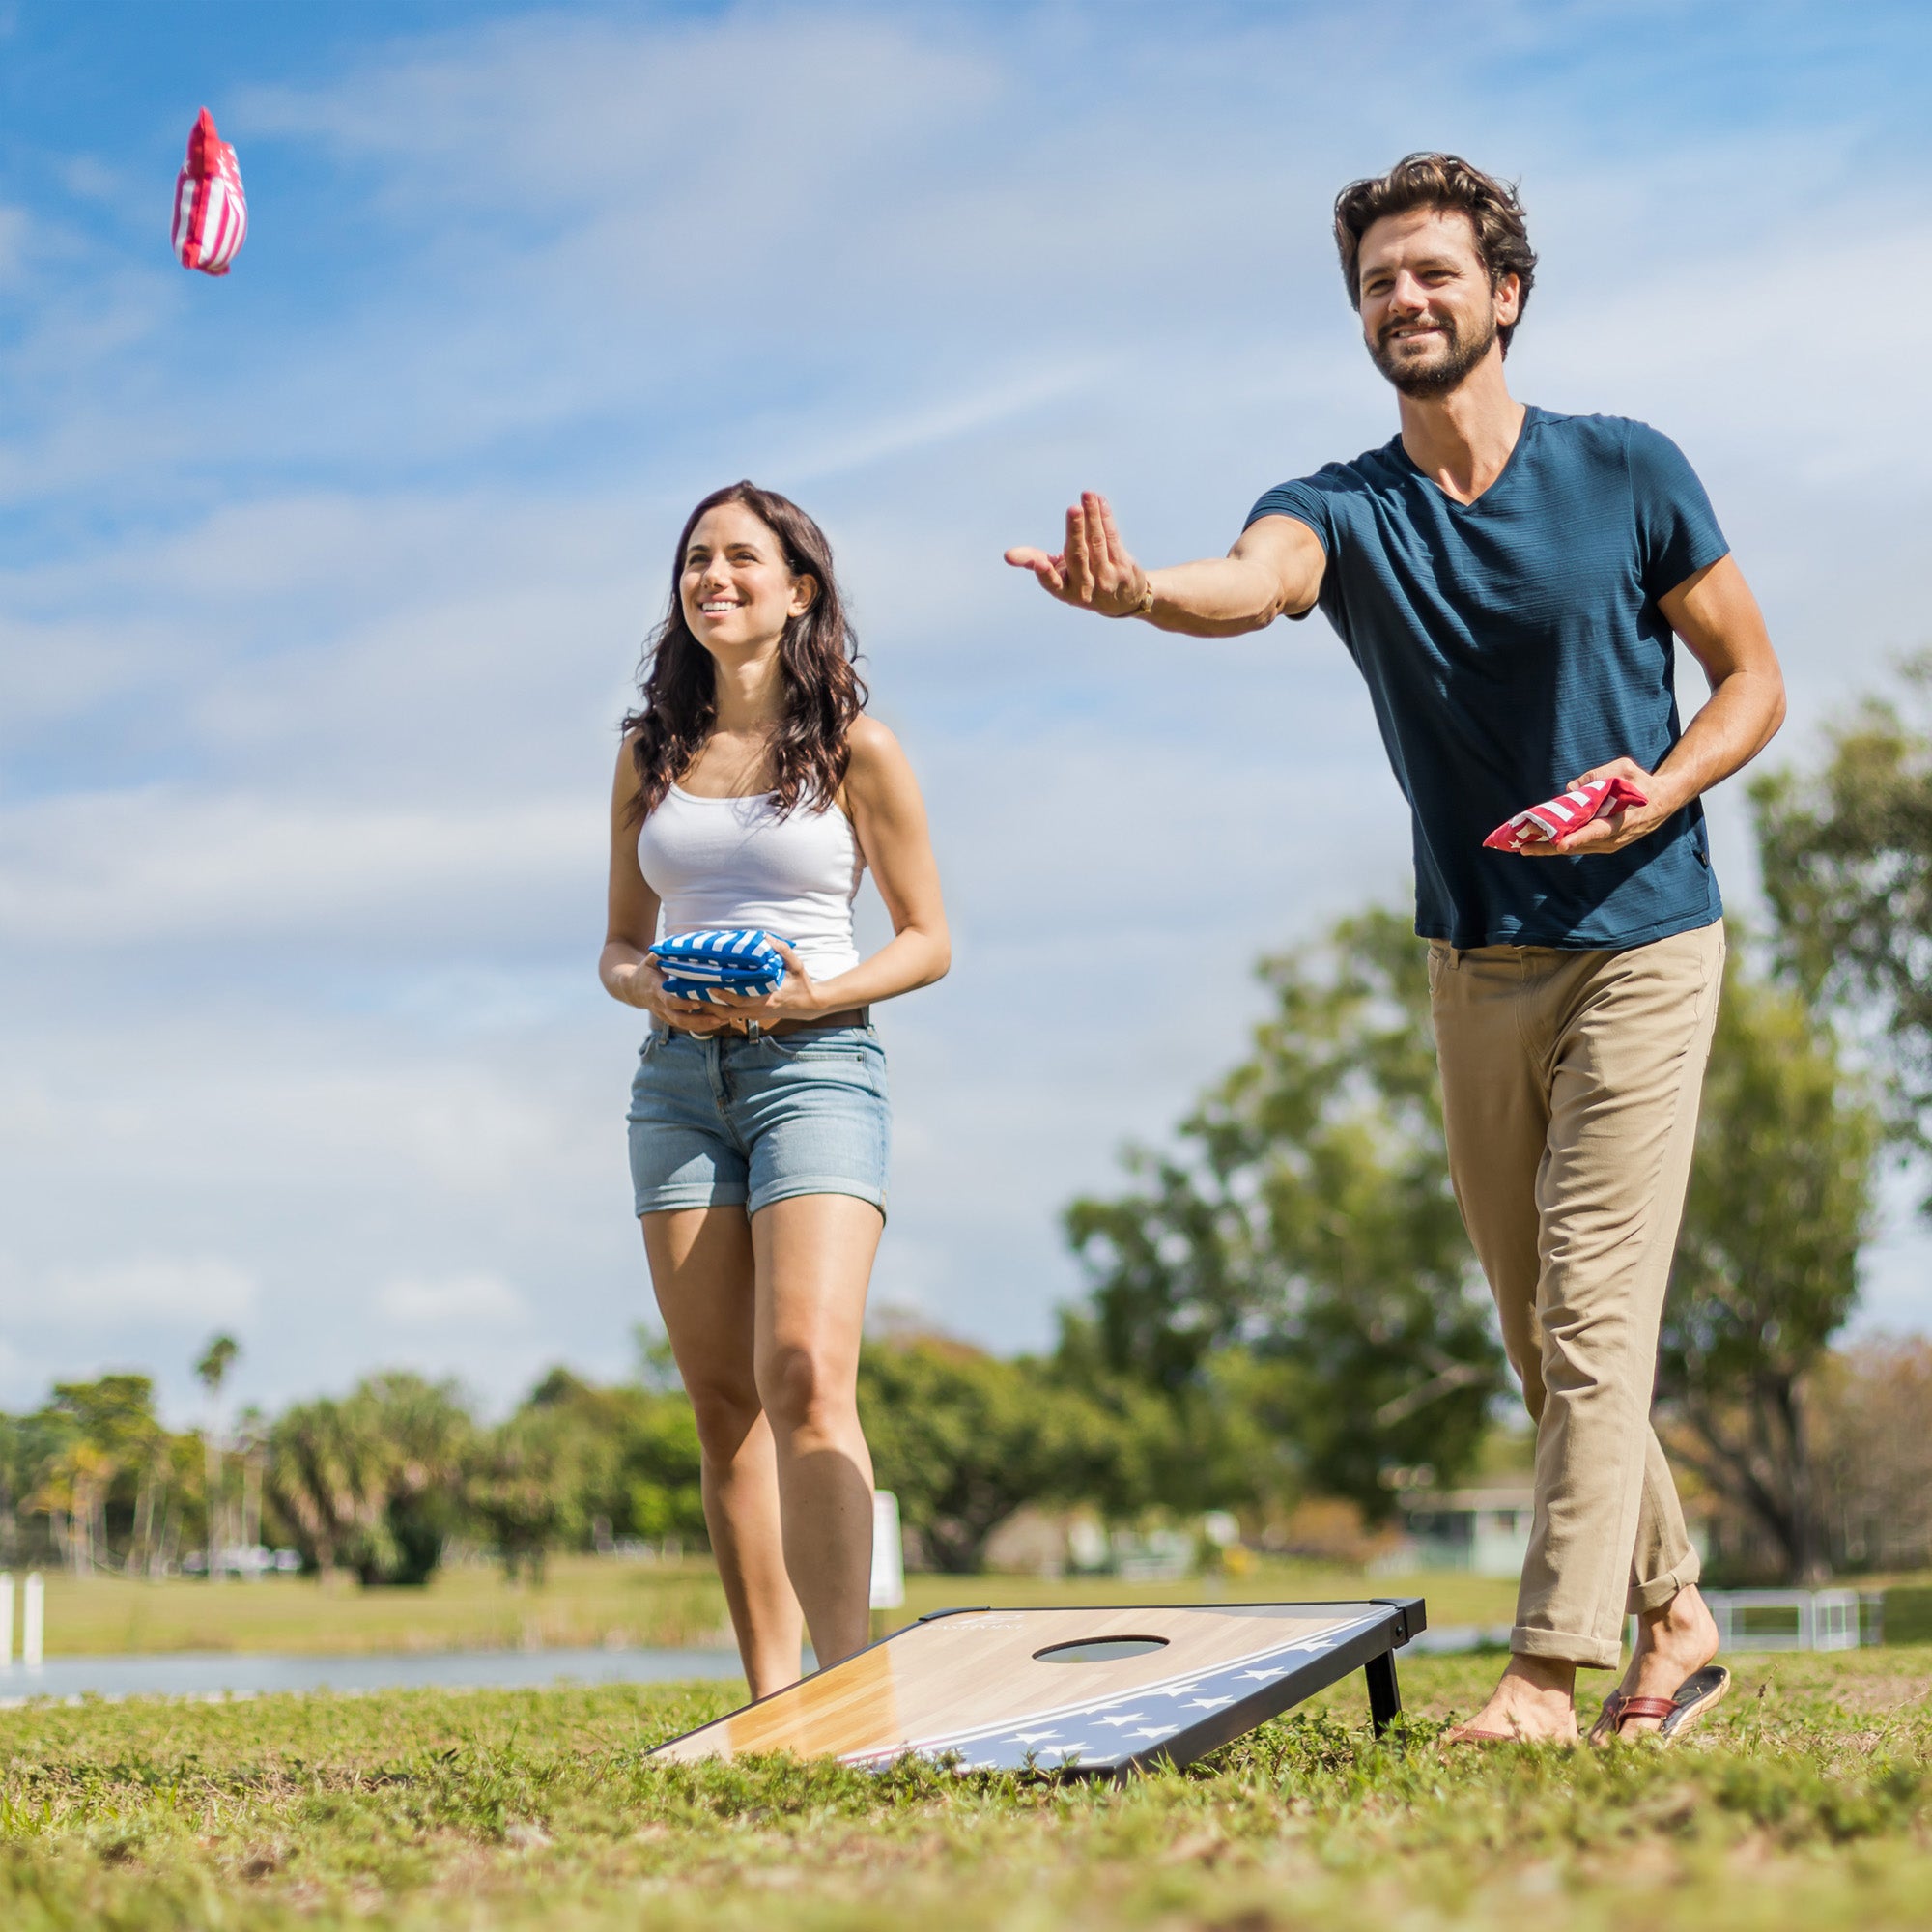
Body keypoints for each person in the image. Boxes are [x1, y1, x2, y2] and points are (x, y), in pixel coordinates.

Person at [1006, 155, 1786, 1746]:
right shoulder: (1340, 509)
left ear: (1505, 294)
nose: (1403, 299)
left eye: (1433, 272)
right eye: (1377, 282)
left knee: (1589, 1318)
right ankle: (1682, 1622)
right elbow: (1252, 581)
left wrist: (1668, 782)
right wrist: (1145, 589)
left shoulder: (1630, 470)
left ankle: (1547, 1676)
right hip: (1476, 962)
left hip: (1645, 940)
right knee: (1544, 1336)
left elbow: (1753, 681)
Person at [602, 480, 949, 1695]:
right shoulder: (649, 752)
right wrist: (657, 989)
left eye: (742, 559)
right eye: (696, 559)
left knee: (803, 1367)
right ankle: (769, 1698)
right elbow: (615, 946)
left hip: (816, 1064)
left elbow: (927, 937)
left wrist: (806, 996)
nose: (714, 578)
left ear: (798, 588)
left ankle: (847, 1683)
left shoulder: (859, 747)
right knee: (720, 1400)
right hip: (677, 1083)